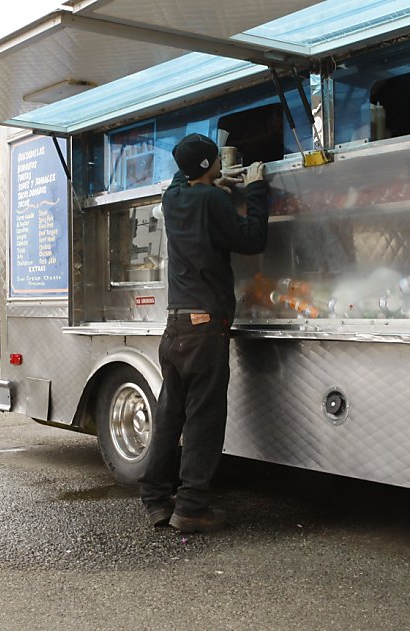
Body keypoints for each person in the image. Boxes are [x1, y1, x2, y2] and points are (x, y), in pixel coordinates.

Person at [139, 133, 269, 533]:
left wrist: (213, 178)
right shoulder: (211, 200)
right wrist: (256, 189)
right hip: (205, 326)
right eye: (215, 162)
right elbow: (252, 239)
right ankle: (193, 508)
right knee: (203, 418)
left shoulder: (173, 199)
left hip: (175, 324)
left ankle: (156, 499)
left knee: (170, 414)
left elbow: (184, 180)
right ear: (211, 164)